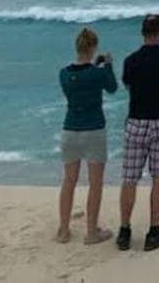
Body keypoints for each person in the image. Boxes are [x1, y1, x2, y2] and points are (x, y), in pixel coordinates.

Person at [117, 14, 159, 252]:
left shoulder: (131, 60)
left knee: (130, 178)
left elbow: (128, 87)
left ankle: (124, 231)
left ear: (142, 33)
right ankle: (154, 230)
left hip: (136, 121)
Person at [57, 27, 117, 244]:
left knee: (69, 181)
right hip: (93, 131)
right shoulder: (97, 73)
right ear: (93, 48)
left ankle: (63, 230)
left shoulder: (64, 74)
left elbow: (80, 82)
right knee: (95, 183)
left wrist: (94, 66)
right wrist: (107, 64)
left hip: (70, 130)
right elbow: (112, 87)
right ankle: (91, 232)